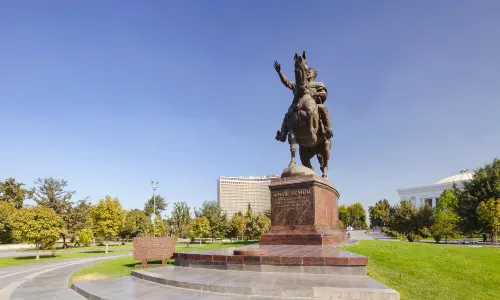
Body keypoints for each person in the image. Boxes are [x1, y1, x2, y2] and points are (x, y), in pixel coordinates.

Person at [273, 61, 333, 142]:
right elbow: (286, 82)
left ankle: (327, 130)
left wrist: (316, 94)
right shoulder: (297, 85)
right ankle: (283, 134)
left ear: (314, 75)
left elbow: (324, 94)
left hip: (312, 103)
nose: (308, 73)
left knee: (323, 107)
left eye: (310, 72)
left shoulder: (318, 83)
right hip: (297, 103)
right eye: (307, 71)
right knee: (287, 115)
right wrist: (279, 72)